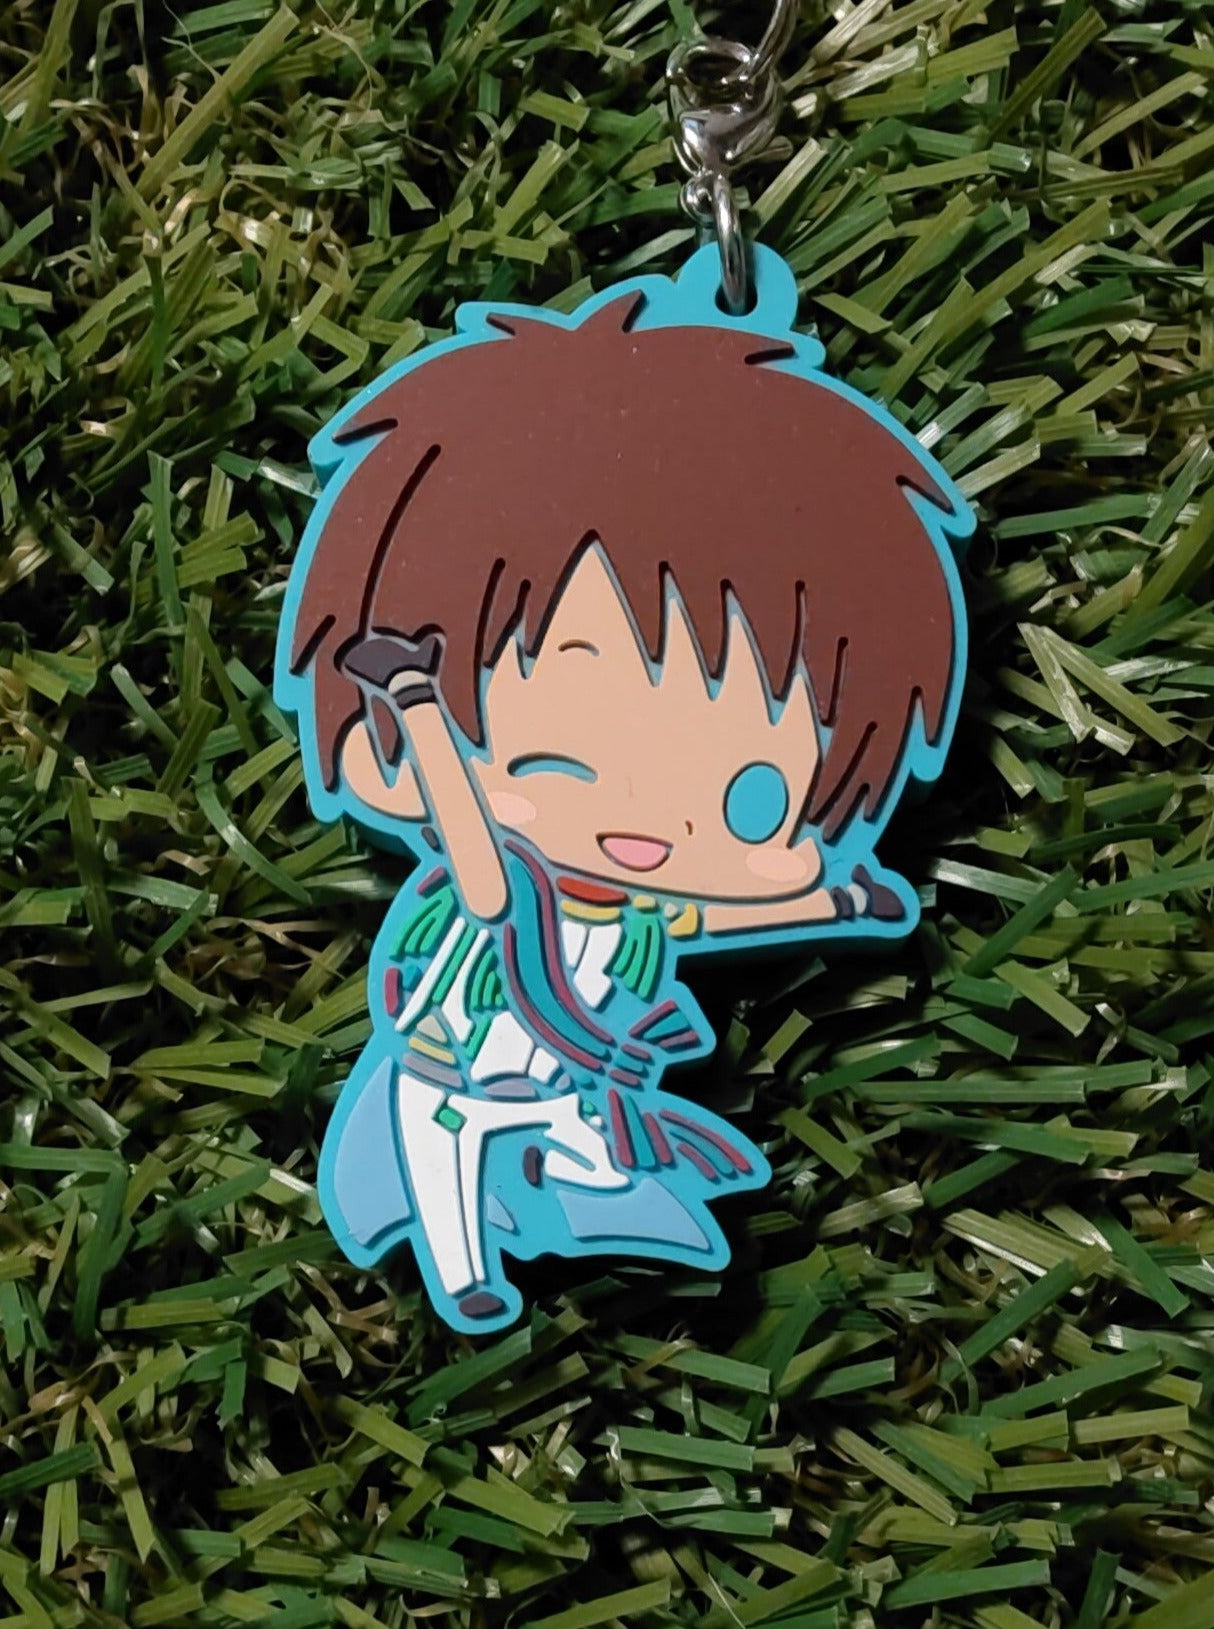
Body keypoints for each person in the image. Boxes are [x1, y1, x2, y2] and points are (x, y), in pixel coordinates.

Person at [274, 247, 971, 1335]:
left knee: (598, 1148)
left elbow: (719, 911)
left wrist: (827, 896)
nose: (646, 823)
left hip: (572, 1078)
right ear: (381, 759)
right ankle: (465, 1266)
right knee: (445, 1161)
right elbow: (482, 871)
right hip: (450, 1070)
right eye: (553, 762)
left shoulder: (641, 917)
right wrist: (415, 703)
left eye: (750, 799)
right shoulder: (501, 880)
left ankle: (580, 1201)